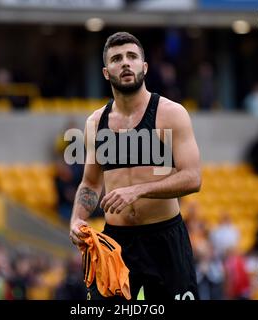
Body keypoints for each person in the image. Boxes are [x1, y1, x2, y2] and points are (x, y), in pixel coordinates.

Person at [69, 32, 201, 300]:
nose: (125, 63)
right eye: (117, 59)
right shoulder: (95, 122)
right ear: (107, 73)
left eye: (132, 56)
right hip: (116, 243)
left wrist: (137, 190)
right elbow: (91, 182)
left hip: (164, 238)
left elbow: (192, 178)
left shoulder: (171, 114)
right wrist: (77, 219)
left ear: (144, 66)